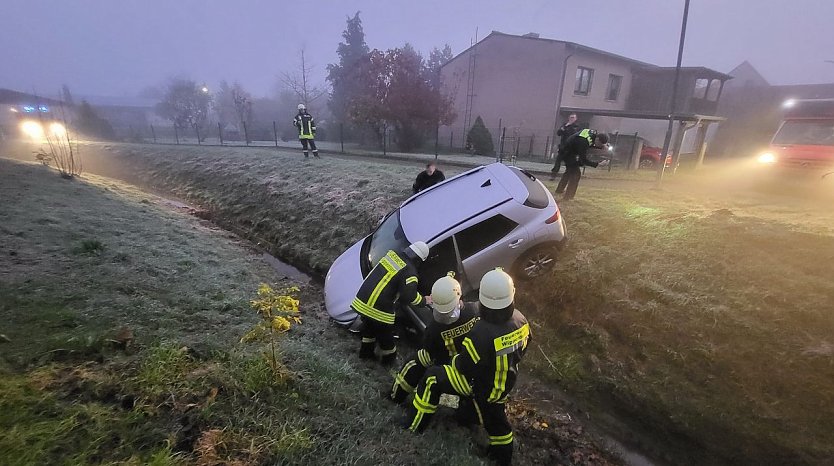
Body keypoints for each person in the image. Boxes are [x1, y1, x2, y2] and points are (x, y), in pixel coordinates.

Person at [405, 268, 530, 466]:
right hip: (504, 383)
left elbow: (464, 367)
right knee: (498, 425)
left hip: (480, 386)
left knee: (432, 378)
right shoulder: (521, 320)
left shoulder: (481, 333)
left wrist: (449, 362)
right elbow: (524, 346)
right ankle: (500, 457)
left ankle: (413, 426)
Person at [389, 272, 479, 404]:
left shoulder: (434, 328)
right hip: (473, 368)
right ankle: (462, 409)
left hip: (451, 368)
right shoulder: (474, 311)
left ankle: (396, 396)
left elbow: (428, 347)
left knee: (417, 360)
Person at [352, 242, 431, 365]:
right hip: (378, 309)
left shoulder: (392, 255)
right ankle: (388, 363)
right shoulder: (410, 272)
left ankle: (365, 355)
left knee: (370, 330)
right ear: (420, 260)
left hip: (363, 300)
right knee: (387, 340)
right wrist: (424, 300)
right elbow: (408, 296)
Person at [555, 129, 609, 201]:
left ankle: (559, 190)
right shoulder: (583, 141)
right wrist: (598, 164)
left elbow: (591, 144)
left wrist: (602, 147)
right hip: (567, 152)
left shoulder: (593, 134)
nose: (599, 146)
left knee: (569, 172)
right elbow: (583, 160)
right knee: (576, 174)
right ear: (598, 139)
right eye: (600, 144)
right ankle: (568, 197)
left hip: (569, 149)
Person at [550, 113, 580, 180]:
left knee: (569, 164)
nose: (571, 119)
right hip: (563, 148)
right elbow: (559, 133)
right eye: (570, 117)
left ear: (576, 119)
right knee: (557, 162)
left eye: (573, 117)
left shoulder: (576, 126)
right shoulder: (565, 125)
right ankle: (553, 175)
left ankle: (569, 177)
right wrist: (565, 126)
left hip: (571, 149)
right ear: (568, 118)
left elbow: (575, 134)